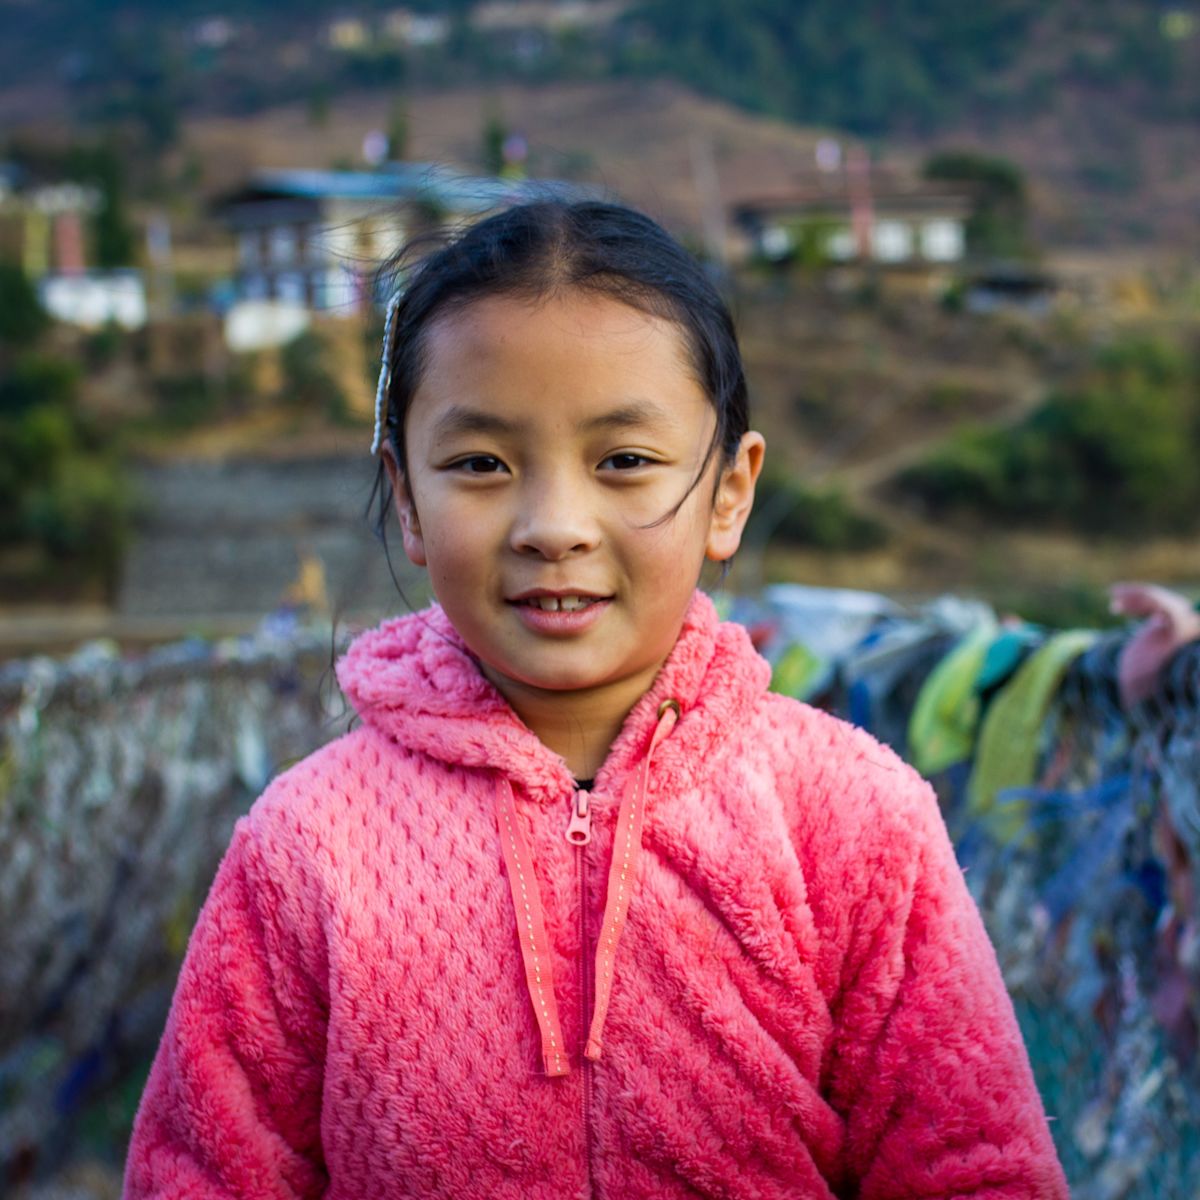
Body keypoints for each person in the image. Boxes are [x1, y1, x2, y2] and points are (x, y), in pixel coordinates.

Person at [123, 200, 1069, 1198]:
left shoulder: (855, 819)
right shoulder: (309, 846)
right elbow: (204, 1174)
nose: (554, 525)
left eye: (623, 461)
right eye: (481, 464)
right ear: (405, 496)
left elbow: (976, 1171)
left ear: (730, 493)